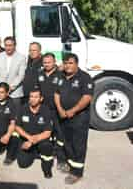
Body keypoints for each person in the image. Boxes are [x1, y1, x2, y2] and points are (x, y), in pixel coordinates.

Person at [54, 53, 93, 185]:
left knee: (78, 145)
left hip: (79, 118)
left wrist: (72, 111)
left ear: (77, 64)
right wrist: (60, 110)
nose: (67, 66)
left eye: (70, 63)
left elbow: (87, 98)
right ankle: (70, 165)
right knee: (67, 142)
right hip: (63, 116)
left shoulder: (85, 78)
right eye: (65, 63)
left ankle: (77, 173)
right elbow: (56, 94)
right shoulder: (61, 77)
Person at [36, 53, 66, 169]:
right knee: (44, 133)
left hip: (56, 110)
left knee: (59, 135)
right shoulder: (40, 74)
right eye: (45, 62)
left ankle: (61, 159)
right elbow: (36, 89)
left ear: (54, 62)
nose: (47, 64)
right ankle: (45, 154)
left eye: (49, 62)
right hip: (43, 110)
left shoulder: (61, 74)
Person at [15, 89, 54, 179]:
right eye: (31, 96)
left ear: (41, 99)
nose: (32, 99)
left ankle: (47, 168)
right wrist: (29, 138)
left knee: (47, 146)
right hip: (26, 138)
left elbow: (47, 133)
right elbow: (17, 127)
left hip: (41, 139)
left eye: (36, 97)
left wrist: (32, 141)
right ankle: (34, 152)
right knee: (22, 164)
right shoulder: (23, 108)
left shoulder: (46, 111)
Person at [0, 36, 26, 109]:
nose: (8, 48)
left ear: (15, 45)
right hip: (1, 92)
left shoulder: (21, 57)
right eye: (6, 45)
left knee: (16, 116)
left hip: (15, 93)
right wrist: (3, 87)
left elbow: (21, 75)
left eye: (10, 45)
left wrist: (10, 87)